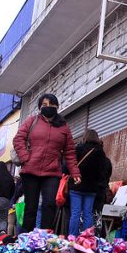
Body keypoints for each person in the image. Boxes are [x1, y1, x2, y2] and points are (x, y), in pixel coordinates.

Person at [13, 94, 80, 232]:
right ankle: (27, 239)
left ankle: (45, 239)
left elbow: (70, 151)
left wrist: (75, 172)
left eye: (51, 104)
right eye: (44, 105)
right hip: (30, 171)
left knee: (49, 205)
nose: (48, 107)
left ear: (57, 107)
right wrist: (26, 158)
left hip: (52, 172)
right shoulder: (32, 121)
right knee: (31, 206)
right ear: (39, 107)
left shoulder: (64, 127)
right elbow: (18, 139)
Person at [68, 129, 109, 236]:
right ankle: (86, 238)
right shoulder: (100, 152)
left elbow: (68, 167)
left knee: (75, 214)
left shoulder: (78, 149)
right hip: (91, 188)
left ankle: (72, 237)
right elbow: (102, 171)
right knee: (88, 214)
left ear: (84, 137)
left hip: (76, 186)